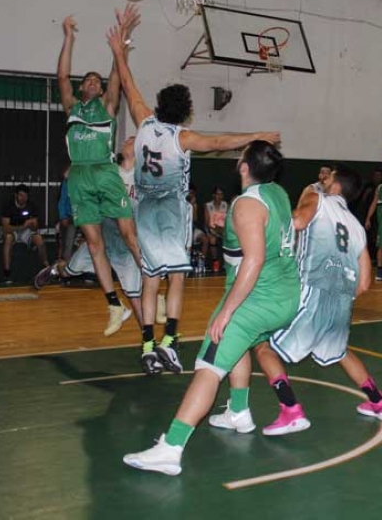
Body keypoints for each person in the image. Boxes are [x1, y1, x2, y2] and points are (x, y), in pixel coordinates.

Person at [108, 18, 280, 375]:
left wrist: (119, 52)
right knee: (177, 279)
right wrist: (256, 134)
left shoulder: (144, 122)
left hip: (144, 211)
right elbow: (218, 143)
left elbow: (127, 84)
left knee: (149, 280)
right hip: (171, 212)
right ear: (185, 112)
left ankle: (146, 346)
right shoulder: (182, 138)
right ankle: (169, 344)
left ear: (158, 106)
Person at [123, 141, 300, 475]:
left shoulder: (246, 205)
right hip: (284, 294)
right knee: (243, 344)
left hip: (255, 298)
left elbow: (254, 259)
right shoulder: (276, 193)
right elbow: (264, 237)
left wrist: (227, 311)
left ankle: (170, 448)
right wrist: (223, 228)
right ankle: (239, 412)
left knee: (208, 365)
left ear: (244, 167)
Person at [210, 164, 382, 437]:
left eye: (327, 176)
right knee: (340, 350)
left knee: (263, 345)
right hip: (342, 302)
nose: (322, 179)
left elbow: (295, 222)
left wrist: (242, 220)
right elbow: (365, 282)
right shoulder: (357, 226)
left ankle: (291, 411)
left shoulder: (316, 197)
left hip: (312, 293)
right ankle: (379, 402)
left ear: (335, 186)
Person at [57, 6, 143, 336]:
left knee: (127, 234)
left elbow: (118, 76)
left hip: (104, 171)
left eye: (97, 80)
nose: (93, 81)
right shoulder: (73, 108)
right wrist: (68, 38)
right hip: (80, 175)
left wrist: (119, 43)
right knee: (94, 245)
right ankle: (113, 303)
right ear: (82, 90)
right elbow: (62, 77)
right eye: (88, 80)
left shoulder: (108, 107)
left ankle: (152, 287)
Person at [34, 138, 147, 340]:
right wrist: (86, 160)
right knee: (68, 271)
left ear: (138, 150)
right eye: (127, 139)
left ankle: (150, 342)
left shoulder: (143, 179)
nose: (127, 140)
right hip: (101, 237)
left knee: (135, 296)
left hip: (125, 244)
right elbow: (68, 174)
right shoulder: (109, 169)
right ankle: (54, 269)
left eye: (132, 139)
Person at [0, 184, 49, 283]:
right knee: (8, 238)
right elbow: (5, 227)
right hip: (12, 231)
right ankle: (7, 273)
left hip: (26, 232)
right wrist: (23, 225)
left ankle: (45, 268)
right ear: (16, 195)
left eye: (25, 196)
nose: (23, 198)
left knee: (39, 239)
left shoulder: (31, 205)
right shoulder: (8, 206)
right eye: (21, 195)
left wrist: (32, 224)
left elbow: (35, 226)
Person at [205, 186, 229, 269]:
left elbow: (228, 221)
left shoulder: (225, 205)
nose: (219, 196)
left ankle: (227, 262)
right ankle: (215, 261)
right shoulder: (208, 205)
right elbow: (207, 222)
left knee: (229, 237)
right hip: (211, 229)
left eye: (221, 194)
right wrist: (214, 230)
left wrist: (222, 230)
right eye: (217, 194)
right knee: (212, 239)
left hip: (223, 229)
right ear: (213, 195)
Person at [56, 166, 76, 263]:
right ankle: (65, 265)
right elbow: (62, 201)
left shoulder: (88, 183)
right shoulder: (66, 183)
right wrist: (63, 216)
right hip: (70, 217)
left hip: (86, 217)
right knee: (67, 240)